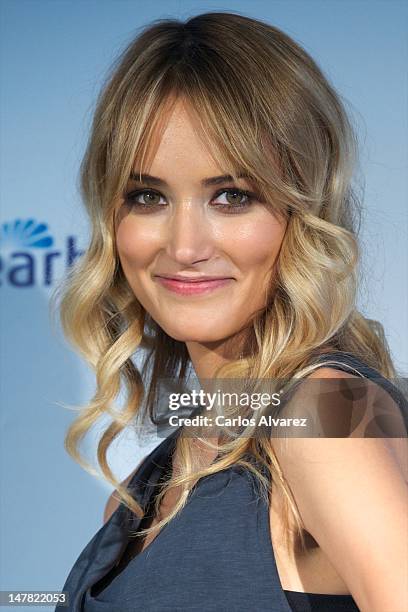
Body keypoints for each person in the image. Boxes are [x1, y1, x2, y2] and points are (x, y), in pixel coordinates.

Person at [53, 11, 408, 612]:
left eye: (232, 196)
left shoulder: (324, 414)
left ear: (301, 210)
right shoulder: (137, 499)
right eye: (148, 196)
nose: (185, 247)